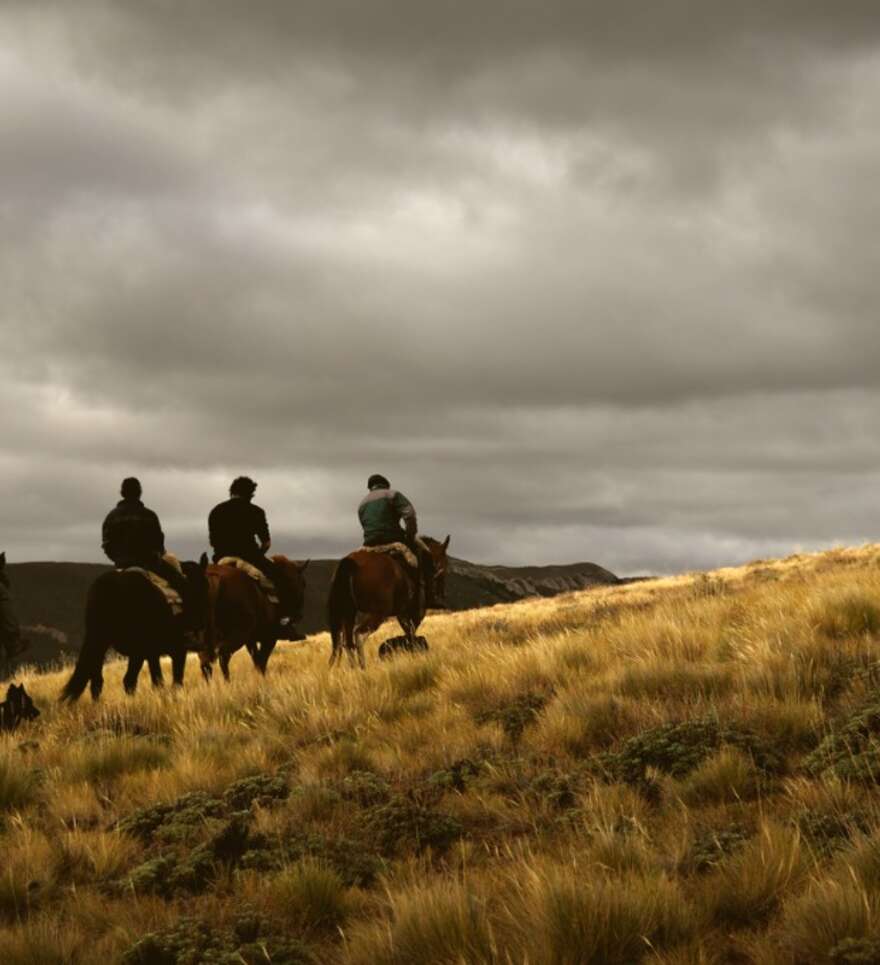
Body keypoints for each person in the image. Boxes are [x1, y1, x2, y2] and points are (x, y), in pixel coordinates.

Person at [208, 477, 290, 627]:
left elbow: (212, 541)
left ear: (232, 492)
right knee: (280, 578)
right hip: (249, 557)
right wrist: (259, 553)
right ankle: (284, 620)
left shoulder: (216, 511)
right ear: (250, 494)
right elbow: (266, 543)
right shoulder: (256, 511)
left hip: (221, 558)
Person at [358, 474, 436, 607]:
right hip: (393, 538)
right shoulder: (393, 494)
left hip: (369, 543)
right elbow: (410, 514)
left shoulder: (362, 503)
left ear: (370, 488)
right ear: (386, 485)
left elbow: (365, 524)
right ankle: (430, 599)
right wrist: (410, 535)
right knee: (426, 555)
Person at [101, 478, 186, 595]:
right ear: (139, 492)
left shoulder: (111, 517)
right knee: (182, 584)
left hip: (121, 564)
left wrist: (119, 559)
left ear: (122, 493)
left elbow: (107, 545)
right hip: (149, 564)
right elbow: (159, 544)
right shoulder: (150, 516)